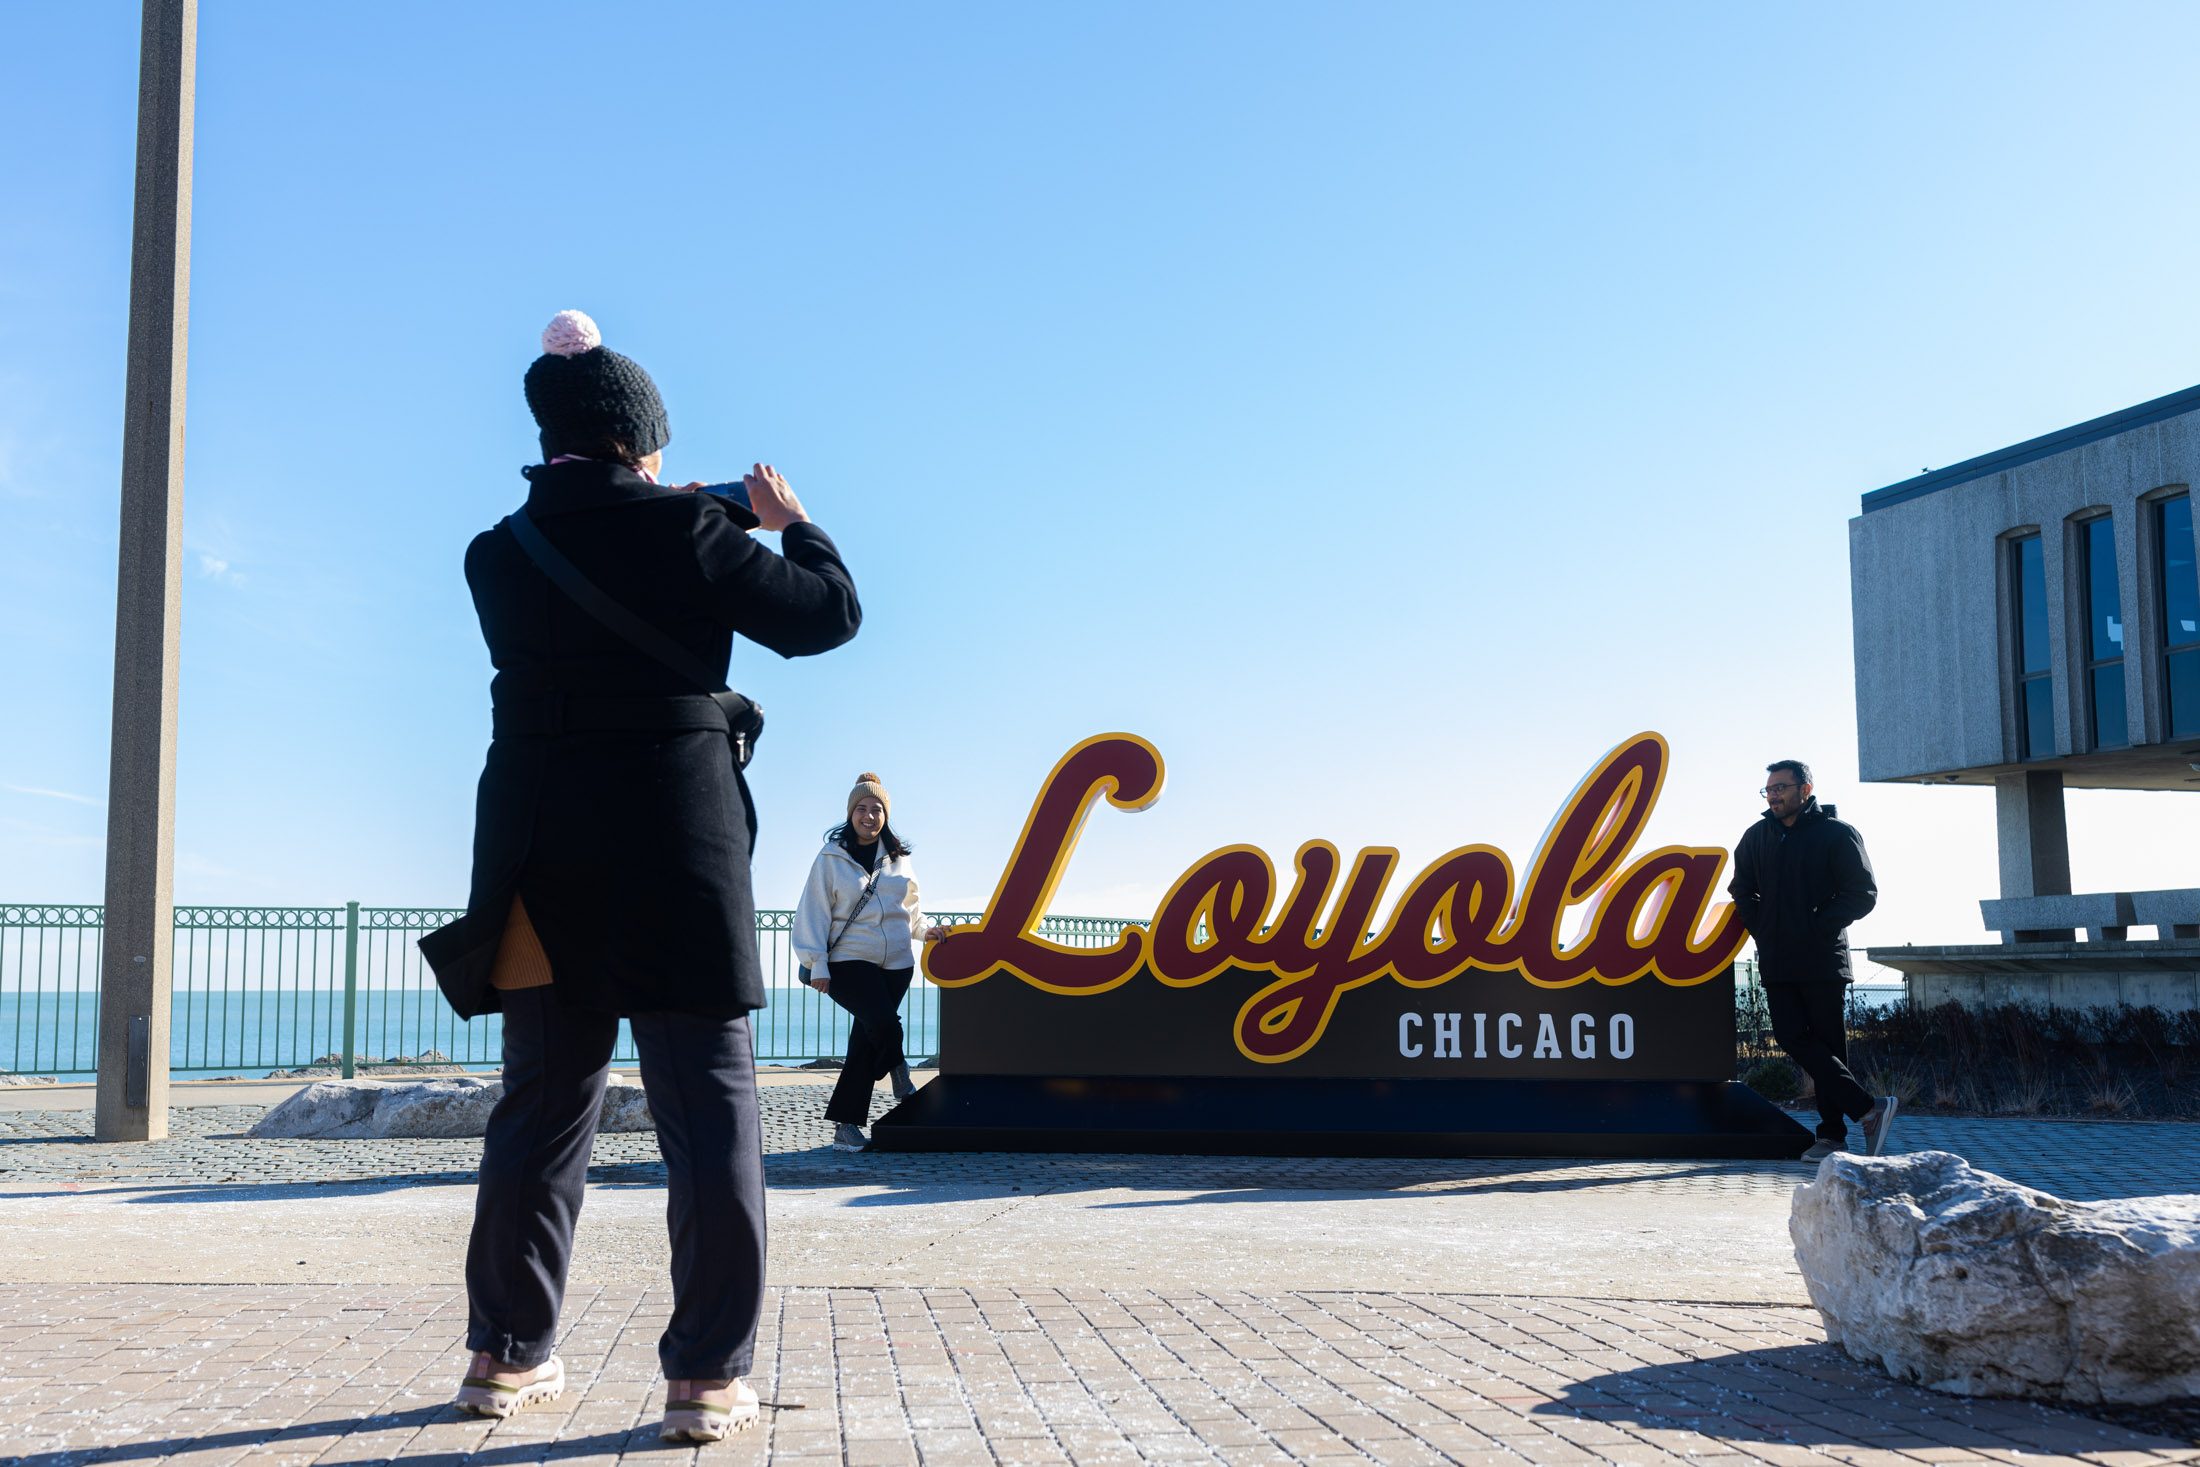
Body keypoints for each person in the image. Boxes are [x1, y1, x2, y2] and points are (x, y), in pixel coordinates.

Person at [420, 309, 861, 1442]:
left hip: (533, 845)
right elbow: (824, 620)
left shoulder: (496, 554)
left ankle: (502, 1357)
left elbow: (596, 516)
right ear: (643, 440)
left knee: (541, 1108)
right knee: (706, 1110)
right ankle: (705, 1375)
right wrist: (792, 527)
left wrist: (687, 495)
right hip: (675, 843)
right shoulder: (687, 535)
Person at [1728, 758, 1896, 1163]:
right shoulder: (1756, 837)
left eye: (1782, 787)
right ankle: (1868, 1109)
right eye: (1769, 789)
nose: (1774, 795)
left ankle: (1832, 1138)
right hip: (1777, 956)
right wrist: (1763, 929)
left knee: (1829, 1046)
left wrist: (1820, 924)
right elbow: (1741, 890)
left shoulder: (1837, 834)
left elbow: (1862, 893)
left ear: (1805, 790)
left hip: (1823, 958)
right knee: (1789, 1036)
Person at [791, 773, 946, 1150]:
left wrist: (926, 932)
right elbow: (813, 913)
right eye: (862, 808)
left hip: (896, 964)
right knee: (883, 1024)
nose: (869, 816)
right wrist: (818, 964)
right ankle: (899, 1070)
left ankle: (845, 1127)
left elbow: (911, 910)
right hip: (847, 961)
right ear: (850, 814)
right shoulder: (831, 858)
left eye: (877, 809)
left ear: (885, 816)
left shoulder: (899, 860)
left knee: (865, 1040)